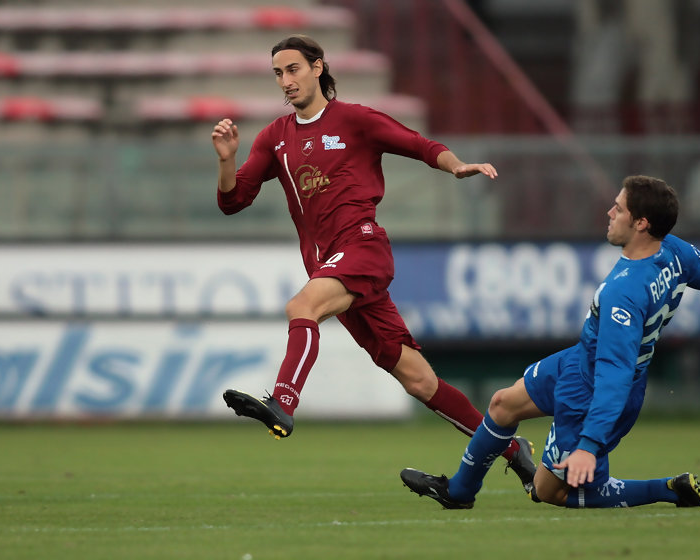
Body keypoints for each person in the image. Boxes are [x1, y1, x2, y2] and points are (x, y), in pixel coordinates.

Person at [210, 34, 536, 487]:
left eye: (293, 70)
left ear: (318, 68)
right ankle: (513, 450)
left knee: (301, 307)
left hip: (363, 248)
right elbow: (233, 200)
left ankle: (283, 402)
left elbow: (418, 144)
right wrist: (227, 162)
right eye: (278, 74)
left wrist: (456, 165)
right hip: (333, 267)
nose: (285, 81)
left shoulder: (355, 120)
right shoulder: (275, 138)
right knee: (421, 383)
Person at [400, 175, 700, 509]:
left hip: (593, 390)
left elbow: (615, 373)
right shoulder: (674, 252)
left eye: (618, 209)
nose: (610, 213)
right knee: (502, 404)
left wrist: (589, 444)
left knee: (547, 492)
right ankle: (459, 492)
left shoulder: (623, 294)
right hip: (578, 362)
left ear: (641, 223)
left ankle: (666, 490)